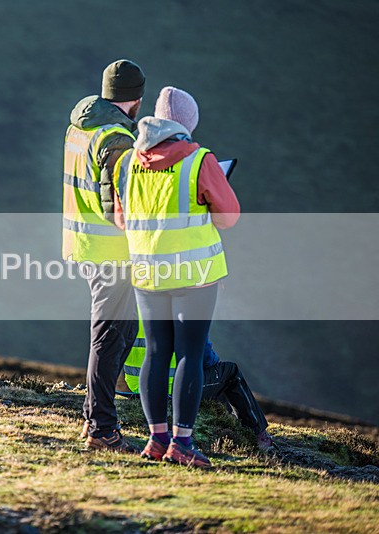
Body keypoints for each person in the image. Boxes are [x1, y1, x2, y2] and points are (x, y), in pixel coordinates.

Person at [112, 86, 240, 467]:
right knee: (189, 353)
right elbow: (229, 217)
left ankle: (156, 439)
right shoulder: (200, 160)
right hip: (194, 275)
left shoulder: (127, 162)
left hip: (147, 272)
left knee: (155, 350)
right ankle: (182, 444)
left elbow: (121, 220)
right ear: (187, 125)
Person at [62, 59, 146, 453]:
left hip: (83, 244)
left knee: (117, 334)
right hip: (112, 253)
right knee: (109, 339)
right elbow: (119, 212)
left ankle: (95, 421)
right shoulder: (116, 140)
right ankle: (101, 429)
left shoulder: (79, 128)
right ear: (137, 98)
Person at [122, 319, 275, 451]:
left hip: (138, 387)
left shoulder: (133, 311)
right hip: (176, 388)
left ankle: (227, 421)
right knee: (229, 372)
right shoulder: (179, 311)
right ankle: (258, 434)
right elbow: (206, 358)